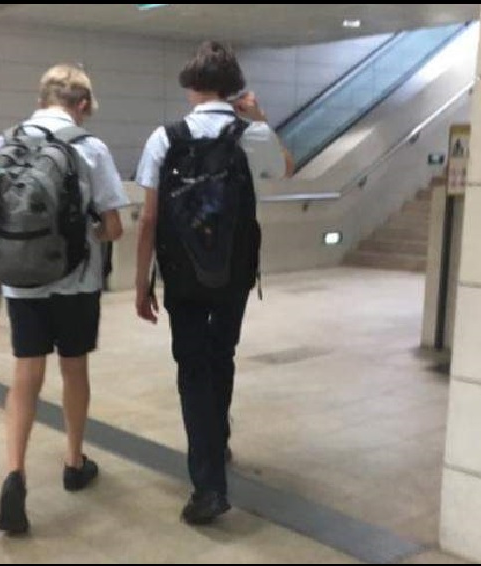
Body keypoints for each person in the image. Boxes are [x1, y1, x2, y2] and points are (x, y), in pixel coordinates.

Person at [133, 40, 293, 525]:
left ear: (192, 87)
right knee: (220, 356)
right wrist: (261, 117)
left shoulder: (165, 138)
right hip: (234, 273)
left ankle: (208, 486)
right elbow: (286, 167)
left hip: (181, 276)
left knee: (192, 369)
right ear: (233, 88)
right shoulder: (252, 133)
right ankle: (216, 442)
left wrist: (141, 283)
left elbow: (149, 220)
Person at [0, 63, 129, 535]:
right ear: (82, 104)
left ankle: (14, 473)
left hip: (17, 281)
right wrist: (79, 230)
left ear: (42, 96)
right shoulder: (89, 148)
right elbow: (112, 228)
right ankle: (73, 462)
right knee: (73, 369)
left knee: (26, 374)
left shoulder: (4, 142)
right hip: (75, 282)